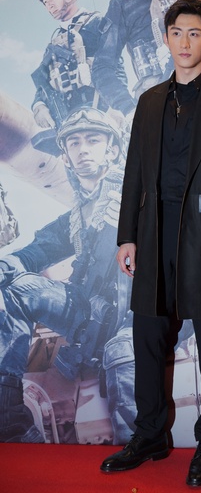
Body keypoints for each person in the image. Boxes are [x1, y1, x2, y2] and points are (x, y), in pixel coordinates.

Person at [100, 0, 201, 486]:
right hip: (154, 234)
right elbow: (133, 174)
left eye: (194, 33)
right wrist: (127, 236)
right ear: (165, 38)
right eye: (176, 33)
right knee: (147, 337)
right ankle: (149, 434)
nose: (184, 42)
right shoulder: (149, 101)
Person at [0, 108, 136, 444]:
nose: (83, 149)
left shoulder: (141, 195)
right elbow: (33, 254)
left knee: (121, 353)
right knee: (17, 288)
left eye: (93, 140)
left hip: (140, 314)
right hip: (89, 312)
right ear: (65, 155)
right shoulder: (76, 216)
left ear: (112, 150)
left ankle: (138, 454)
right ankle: (11, 421)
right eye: (74, 143)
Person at [31, 0, 129, 150]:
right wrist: (39, 105)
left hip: (101, 113)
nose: (49, 4)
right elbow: (44, 82)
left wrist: (118, 106)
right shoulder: (53, 44)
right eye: (45, 1)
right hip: (69, 123)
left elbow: (116, 68)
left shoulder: (98, 24)